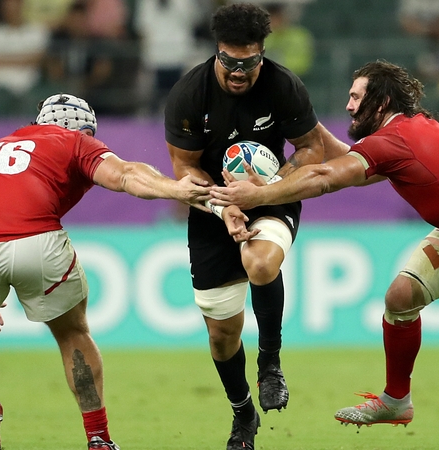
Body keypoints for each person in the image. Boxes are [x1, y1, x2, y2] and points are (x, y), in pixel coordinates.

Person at [210, 60, 439, 450]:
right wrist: (304, 119)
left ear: (382, 100)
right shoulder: (406, 131)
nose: (349, 105)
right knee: (400, 298)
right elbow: (347, 161)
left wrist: (258, 195)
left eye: (356, 96)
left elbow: (326, 177)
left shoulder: (395, 140)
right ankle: (396, 401)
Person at [0, 93, 211, 450]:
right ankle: (99, 438)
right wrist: (174, 189)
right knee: (72, 333)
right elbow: (124, 174)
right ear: (82, 128)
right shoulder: (73, 142)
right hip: (37, 242)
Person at [163, 3, 324, 449]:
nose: (239, 71)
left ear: (261, 54)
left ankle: (270, 363)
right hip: (212, 206)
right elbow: (185, 170)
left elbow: (311, 149)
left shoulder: (283, 85)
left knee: (260, 264)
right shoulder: (188, 94)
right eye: (229, 61)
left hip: (269, 194)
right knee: (221, 333)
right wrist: (223, 205)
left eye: (249, 62)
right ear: (217, 51)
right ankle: (242, 415)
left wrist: (270, 187)